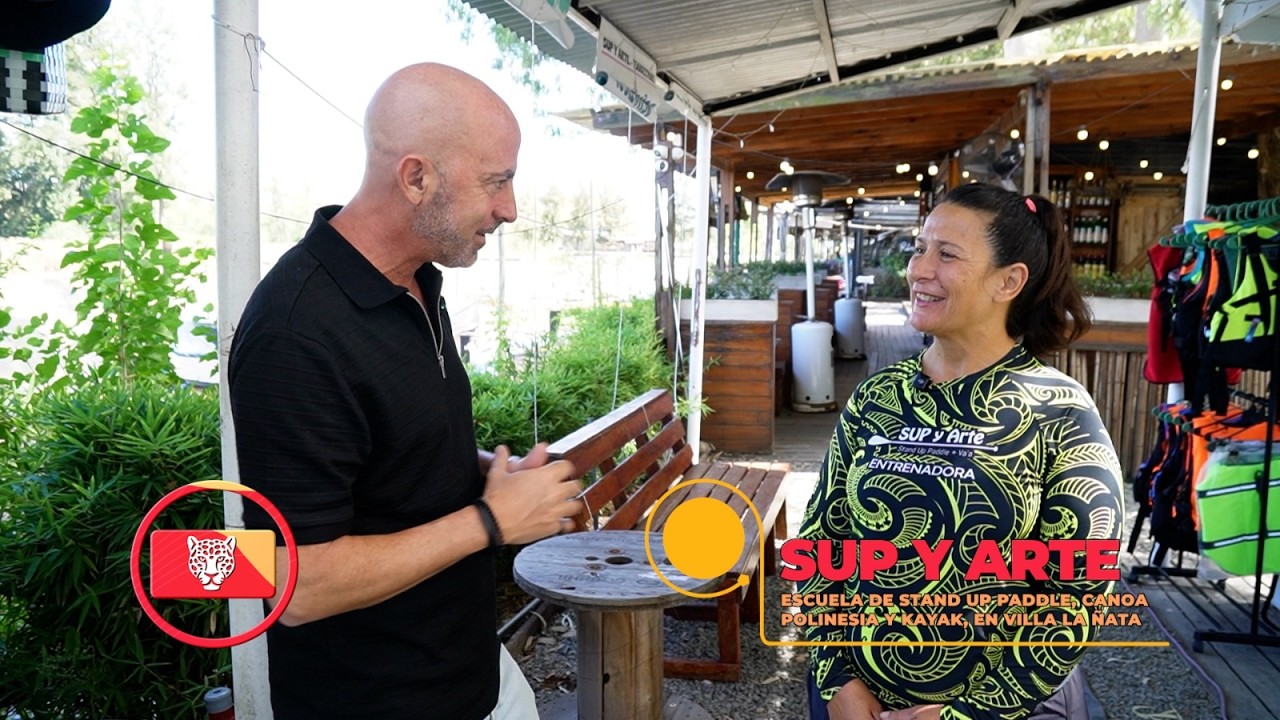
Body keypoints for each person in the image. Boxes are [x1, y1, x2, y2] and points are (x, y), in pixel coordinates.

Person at [228, 63, 582, 720]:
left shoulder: (417, 285)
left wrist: (494, 477)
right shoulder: (295, 332)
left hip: (471, 666)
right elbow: (298, 582)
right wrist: (492, 521)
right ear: (416, 178)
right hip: (377, 699)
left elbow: (395, 462)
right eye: (496, 182)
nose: (510, 208)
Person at [799, 183, 1123, 720]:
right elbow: (822, 539)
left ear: (1009, 281)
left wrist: (968, 713)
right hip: (852, 703)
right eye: (920, 247)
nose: (919, 269)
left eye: (946, 254)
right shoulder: (879, 396)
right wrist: (837, 677)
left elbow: (1079, 589)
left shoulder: (1058, 411)